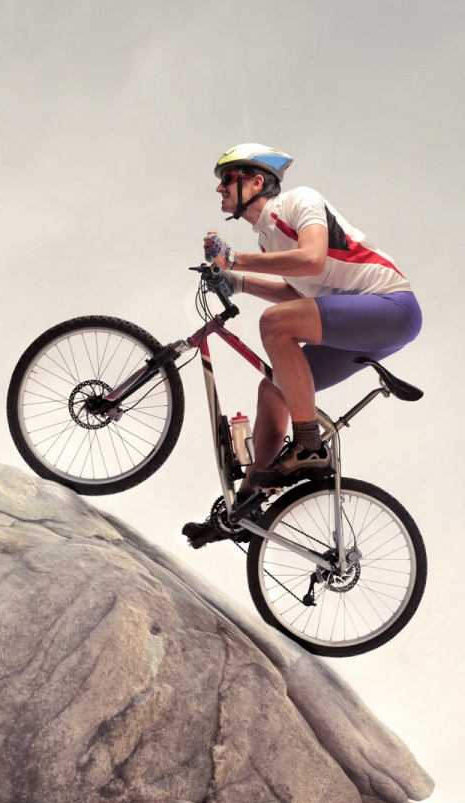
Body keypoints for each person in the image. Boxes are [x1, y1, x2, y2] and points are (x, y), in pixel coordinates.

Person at [182, 143, 422, 548]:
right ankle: (244, 505)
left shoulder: (299, 200)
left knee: (274, 326)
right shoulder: (267, 242)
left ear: (256, 181)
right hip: (357, 325)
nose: (219, 190)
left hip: (391, 307)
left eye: (226, 179)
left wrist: (235, 261)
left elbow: (311, 259)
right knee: (273, 390)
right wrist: (237, 282)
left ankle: (309, 446)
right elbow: (297, 297)